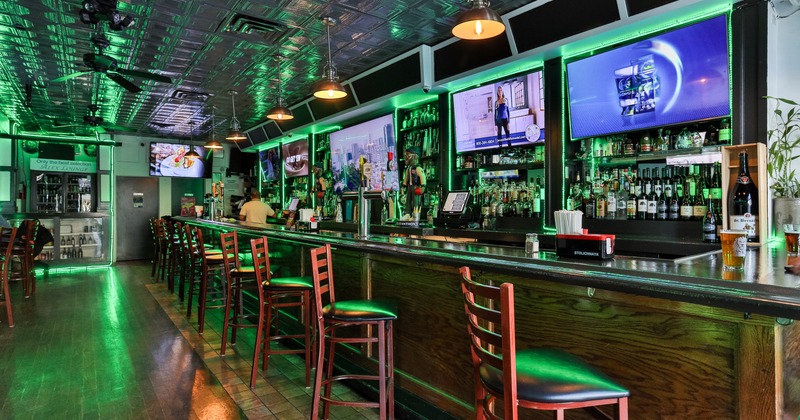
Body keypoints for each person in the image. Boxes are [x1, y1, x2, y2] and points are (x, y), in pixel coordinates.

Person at [401, 146, 426, 219]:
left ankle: (416, 215)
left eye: (408, 156)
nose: (406, 158)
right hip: (409, 187)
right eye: (406, 156)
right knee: (407, 200)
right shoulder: (408, 169)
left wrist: (423, 186)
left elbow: (422, 177)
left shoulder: (418, 168)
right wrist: (403, 186)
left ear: (415, 156)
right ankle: (407, 213)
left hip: (416, 187)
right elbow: (406, 178)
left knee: (416, 201)